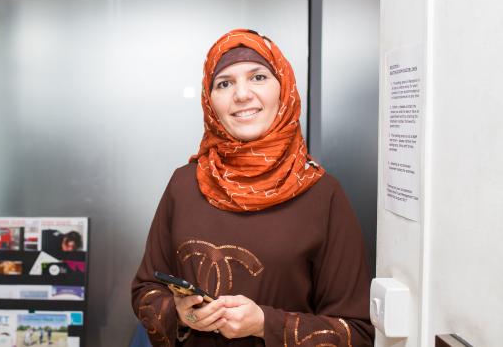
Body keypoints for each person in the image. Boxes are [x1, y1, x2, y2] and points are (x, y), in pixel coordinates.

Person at [131, 29, 374, 346]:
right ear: (210, 101)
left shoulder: (322, 194)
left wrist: (265, 324)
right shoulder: (184, 184)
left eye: (258, 77)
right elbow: (145, 291)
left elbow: (357, 332)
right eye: (224, 83)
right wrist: (181, 314)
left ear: (283, 89)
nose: (242, 94)